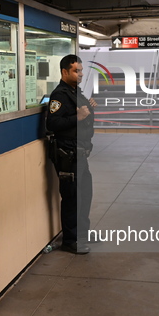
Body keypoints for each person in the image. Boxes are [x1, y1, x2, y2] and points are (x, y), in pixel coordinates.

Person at [46, 54, 97, 254]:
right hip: (69, 153)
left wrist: (89, 109)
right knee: (72, 198)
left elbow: (85, 117)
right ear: (65, 71)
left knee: (85, 194)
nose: (80, 74)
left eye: (81, 70)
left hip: (82, 153)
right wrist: (78, 115)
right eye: (76, 71)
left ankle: (83, 232)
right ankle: (71, 239)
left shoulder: (76, 93)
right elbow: (53, 124)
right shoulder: (59, 95)